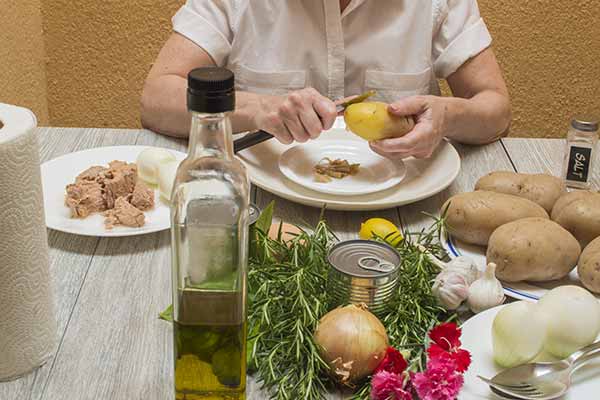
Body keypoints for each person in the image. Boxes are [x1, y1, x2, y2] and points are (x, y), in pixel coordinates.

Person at [141, 0, 511, 159]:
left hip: (406, 215)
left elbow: (494, 107)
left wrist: (447, 115)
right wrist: (259, 108)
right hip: (264, 213)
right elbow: (158, 98)